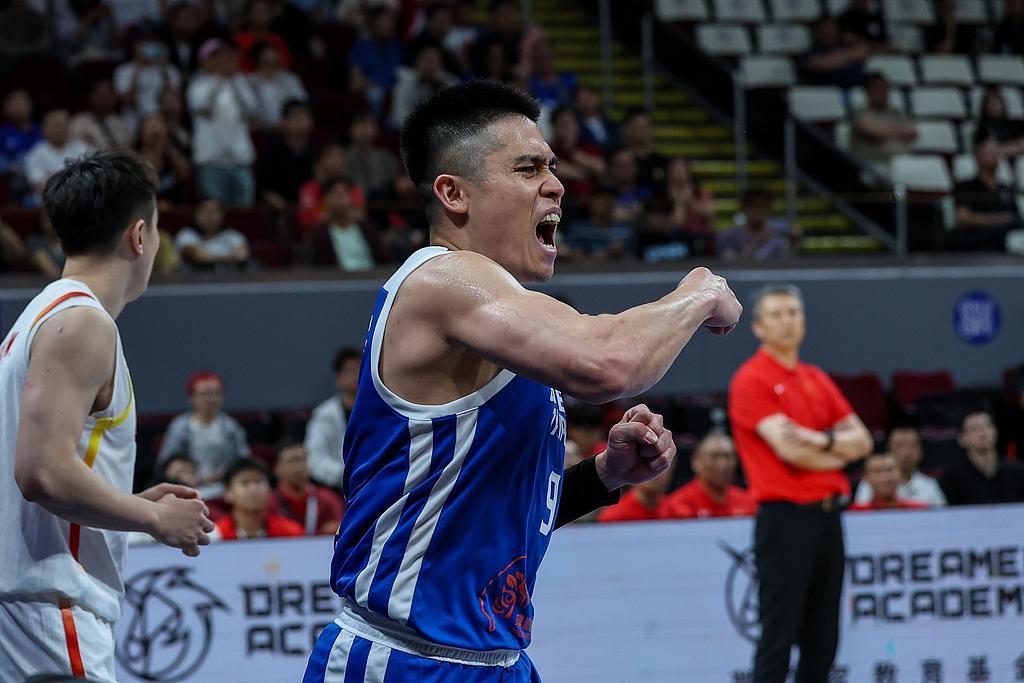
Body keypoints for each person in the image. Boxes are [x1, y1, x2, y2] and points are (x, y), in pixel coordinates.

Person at [302, 80, 740, 681]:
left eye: (552, 167)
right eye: (528, 168)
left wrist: (604, 475)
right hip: (404, 660)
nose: (555, 185)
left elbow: (487, 518)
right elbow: (610, 365)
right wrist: (700, 290)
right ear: (454, 193)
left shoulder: (504, 323)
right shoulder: (442, 281)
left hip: (498, 660)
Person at [0, 152, 213, 682]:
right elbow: (41, 473)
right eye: (157, 229)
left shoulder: (40, 315)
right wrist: (153, 519)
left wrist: (127, 502)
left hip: (29, 608)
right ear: (139, 236)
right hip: (49, 614)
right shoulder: (83, 323)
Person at [728, 283, 872, 683]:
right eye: (776, 315)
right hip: (785, 519)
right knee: (778, 636)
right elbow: (790, 451)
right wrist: (836, 452)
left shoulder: (815, 378)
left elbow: (863, 441)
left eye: (793, 313)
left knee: (824, 639)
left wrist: (820, 440)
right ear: (758, 326)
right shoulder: (752, 379)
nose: (787, 321)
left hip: (828, 517)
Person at [187, 38, 258, 207]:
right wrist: (219, 79)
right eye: (216, 57)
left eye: (226, 57)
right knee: (215, 211)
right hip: (211, 160)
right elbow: (203, 107)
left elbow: (252, 109)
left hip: (240, 159)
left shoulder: (240, 82)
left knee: (244, 213)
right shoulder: (198, 84)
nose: (222, 62)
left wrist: (233, 80)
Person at [157, 370, 251, 497]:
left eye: (216, 393)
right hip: (188, 489)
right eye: (205, 394)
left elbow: (244, 460)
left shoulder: (231, 427)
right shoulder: (180, 428)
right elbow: (166, 463)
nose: (211, 399)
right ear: (192, 398)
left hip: (225, 489)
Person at [952, 128, 1023, 252]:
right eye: (987, 150)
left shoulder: (1005, 189)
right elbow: (962, 218)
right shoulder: (965, 186)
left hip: (1006, 245)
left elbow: (1014, 218)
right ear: (977, 155)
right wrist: (998, 220)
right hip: (977, 243)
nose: (993, 153)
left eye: (995, 150)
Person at [663, 432, 756, 519]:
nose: (722, 464)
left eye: (728, 456)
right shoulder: (678, 504)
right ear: (696, 461)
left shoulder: (748, 502)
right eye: (714, 456)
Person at [305, 347, 361, 490]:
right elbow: (315, 460)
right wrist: (348, 476)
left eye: (360, 370)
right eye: (350, 371)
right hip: (337, 487)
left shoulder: (382, 410)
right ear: (338, 379)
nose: (356, 376)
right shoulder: (325, 414)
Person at [941, 411, 1024, 505]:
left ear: (995, 431)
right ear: (962, 439)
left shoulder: (1017, 470)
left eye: (987, 426)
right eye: (974, 429)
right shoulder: (952, 477)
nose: (983, 432)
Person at [211, 458, 304, 540]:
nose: (254, 489)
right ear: (228, 493)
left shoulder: (292, 533)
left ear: (270, 490)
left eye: (258, 481)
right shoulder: (216, 535)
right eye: (245, 483)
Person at [853, 426, 946, 507]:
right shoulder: (869, 483)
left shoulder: (930, 485)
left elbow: (941, 516)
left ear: (920, 451)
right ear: (889, 450)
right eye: (899, 446)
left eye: (912, 446)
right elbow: (861, 514)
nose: (906, 453)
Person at [270, 437, 345, 535]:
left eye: (302, 460)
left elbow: (342, 529)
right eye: (291, 461)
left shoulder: (328, 499)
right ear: (276, 468)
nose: (298, 468)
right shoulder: (269, 503)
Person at [849, 72, 917, 175]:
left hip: (901, 161)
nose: (881, 92)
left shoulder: (896, 112)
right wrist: (898, 131)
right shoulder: (861, 112)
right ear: (868, 92)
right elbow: (872, 132)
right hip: (872, 163)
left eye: (884, 89)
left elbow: (912, 132)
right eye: (877, 89)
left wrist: (884, 130)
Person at [309, 176, 382, 270]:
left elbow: (383, 260)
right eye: (334, 192)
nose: (340, 196)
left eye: (345, 192)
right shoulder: (319, 234)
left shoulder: (368, 228)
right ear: (326, 199)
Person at [257, 99, 316, 209]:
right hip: (277, 208)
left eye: (303, 117)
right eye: (295, 118)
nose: (300, 122)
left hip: (307, 207)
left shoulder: (316, 153)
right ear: (284, 122)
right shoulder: (272, 152)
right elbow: (263, 186)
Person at [113, 26, 183, 118]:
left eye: (153, 42)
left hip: (162, 121)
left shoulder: (171, 70)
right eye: (145, 42)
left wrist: (163, 71)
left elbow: (173, 102)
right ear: (134, 46)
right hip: (133, 120)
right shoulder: (123, 71)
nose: (149, 45)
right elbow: (128, 100)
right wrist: (139, 69)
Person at [24, 110, 93, 198]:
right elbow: (40, 184)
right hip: (51, 200)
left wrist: (54, 177)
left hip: (83, 197)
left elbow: (93, 177)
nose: (59, 129)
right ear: (44, 129)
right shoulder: (35, 154)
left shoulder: (83, 148)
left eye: (62, 125)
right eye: (54, 125)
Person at [390, 44, 459, 127]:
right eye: (426, 60)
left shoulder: (450, 82)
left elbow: (457, 114)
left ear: (441, 63)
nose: (430, 64)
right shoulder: (404, 83)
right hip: (412, 129)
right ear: (417, 62)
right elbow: (399, 114)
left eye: (433, 60)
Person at [717, 191, 796, 261]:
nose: (761, 211)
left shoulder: (778, 232)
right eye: (756, 207)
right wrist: (757, 244)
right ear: (744, 209)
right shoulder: (728, 236)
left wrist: (793, 242)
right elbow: (731, 265)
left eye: (766, 207)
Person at [174, 198, 251, 270]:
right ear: (196, 214)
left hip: (230, 277)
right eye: (205, 211)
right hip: (194, 277)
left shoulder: (233, 235)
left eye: (214, 212)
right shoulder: (186, 234)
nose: (210, 216)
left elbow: (242, 255)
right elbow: (198, 256)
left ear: (222, 215)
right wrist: (229, 258)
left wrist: (212, 258)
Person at [248, 40, 308, 128]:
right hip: (259, 128)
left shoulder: (290, 79)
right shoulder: (249, 81)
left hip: (288, 128)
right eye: (266, 57)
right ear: (258, 59)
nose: (269, 59)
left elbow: (301, 103)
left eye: (273, 54)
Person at [135, 113, 192, 205]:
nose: (155, 132)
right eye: (151, 127)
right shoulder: (134, 158)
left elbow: (185, 174)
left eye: (159, 127)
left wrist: (166, 147)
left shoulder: (172, 154)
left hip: (173, 206)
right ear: (141, 132)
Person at [800, 16, 868, 88]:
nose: (829, 32)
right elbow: (817, 64)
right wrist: (850, 56)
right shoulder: (810, 51)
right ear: (816, 31)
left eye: (832, 29)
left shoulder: (846, 45)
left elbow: (863, 51)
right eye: (825, 29)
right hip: (822, 92)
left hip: (857, 90)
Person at [596, 463, 676, 522]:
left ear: (671, 472)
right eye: (645, 464)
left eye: (661, 466)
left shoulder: (677, 514)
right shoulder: (613, 518)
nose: (654, 473)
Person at [69, 80, 134, 152]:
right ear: (91, 97)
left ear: (114, 97)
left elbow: (129, 148)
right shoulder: (79, 122)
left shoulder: (123, 123)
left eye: (107, 95)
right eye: (100, 95)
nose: (103, 99)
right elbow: (78, 149)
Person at [847, 453, 929, 511]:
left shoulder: (919, 510)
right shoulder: (855, 513)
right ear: (867, 478)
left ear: (900, 473)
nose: (885, 477)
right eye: (878, 471)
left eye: (889, 470)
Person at [297, 143, 349, 230]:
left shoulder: (352, 189)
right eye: (331, 156)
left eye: (339, 156)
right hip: (318, 234)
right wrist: (339, 214)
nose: (336, 161)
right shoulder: (309, 188)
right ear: (322, 161)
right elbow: (307, 219)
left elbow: (358, 216)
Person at [25, 212, 65, 278]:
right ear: (41, 222)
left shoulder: (70, 242)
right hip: (41, 282)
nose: (53, 222)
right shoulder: (35, 241)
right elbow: (51, 270)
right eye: (48, 218)